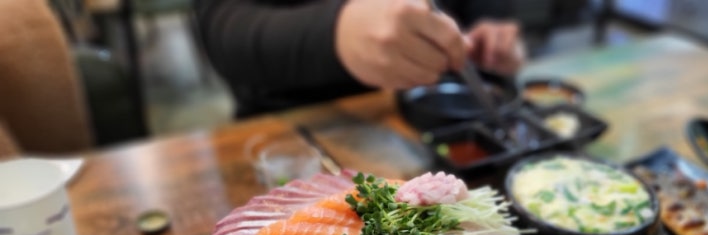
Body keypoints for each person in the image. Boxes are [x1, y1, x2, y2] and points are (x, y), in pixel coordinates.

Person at [194, 0, 525, 118]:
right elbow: (222, 29)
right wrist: (335, 33)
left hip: (439, 105)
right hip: (293, 119)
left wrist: (488, 31)